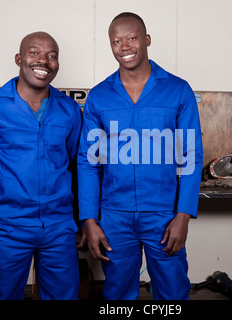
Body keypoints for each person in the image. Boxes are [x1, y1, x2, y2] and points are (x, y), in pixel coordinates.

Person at [77, 12, 203, 300]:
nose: (124, 46)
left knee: (172, 293)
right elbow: (87, 162)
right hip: (114, 215)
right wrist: (89, 220)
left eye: (131, 38)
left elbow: (191, 156)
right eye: (116, 41)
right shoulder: (99, 96)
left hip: (163, 214)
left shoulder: (177, 90)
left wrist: (183, 216)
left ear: (146, 40)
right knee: (118, 294)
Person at [0, 31, 82, 300]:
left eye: (52, 56)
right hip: (7, 229)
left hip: (59, 229)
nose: (44, 60)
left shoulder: (70, 110)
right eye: (35, 53)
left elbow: (79, 169)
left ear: (58, 65)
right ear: (19, 58)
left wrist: (84, 221)